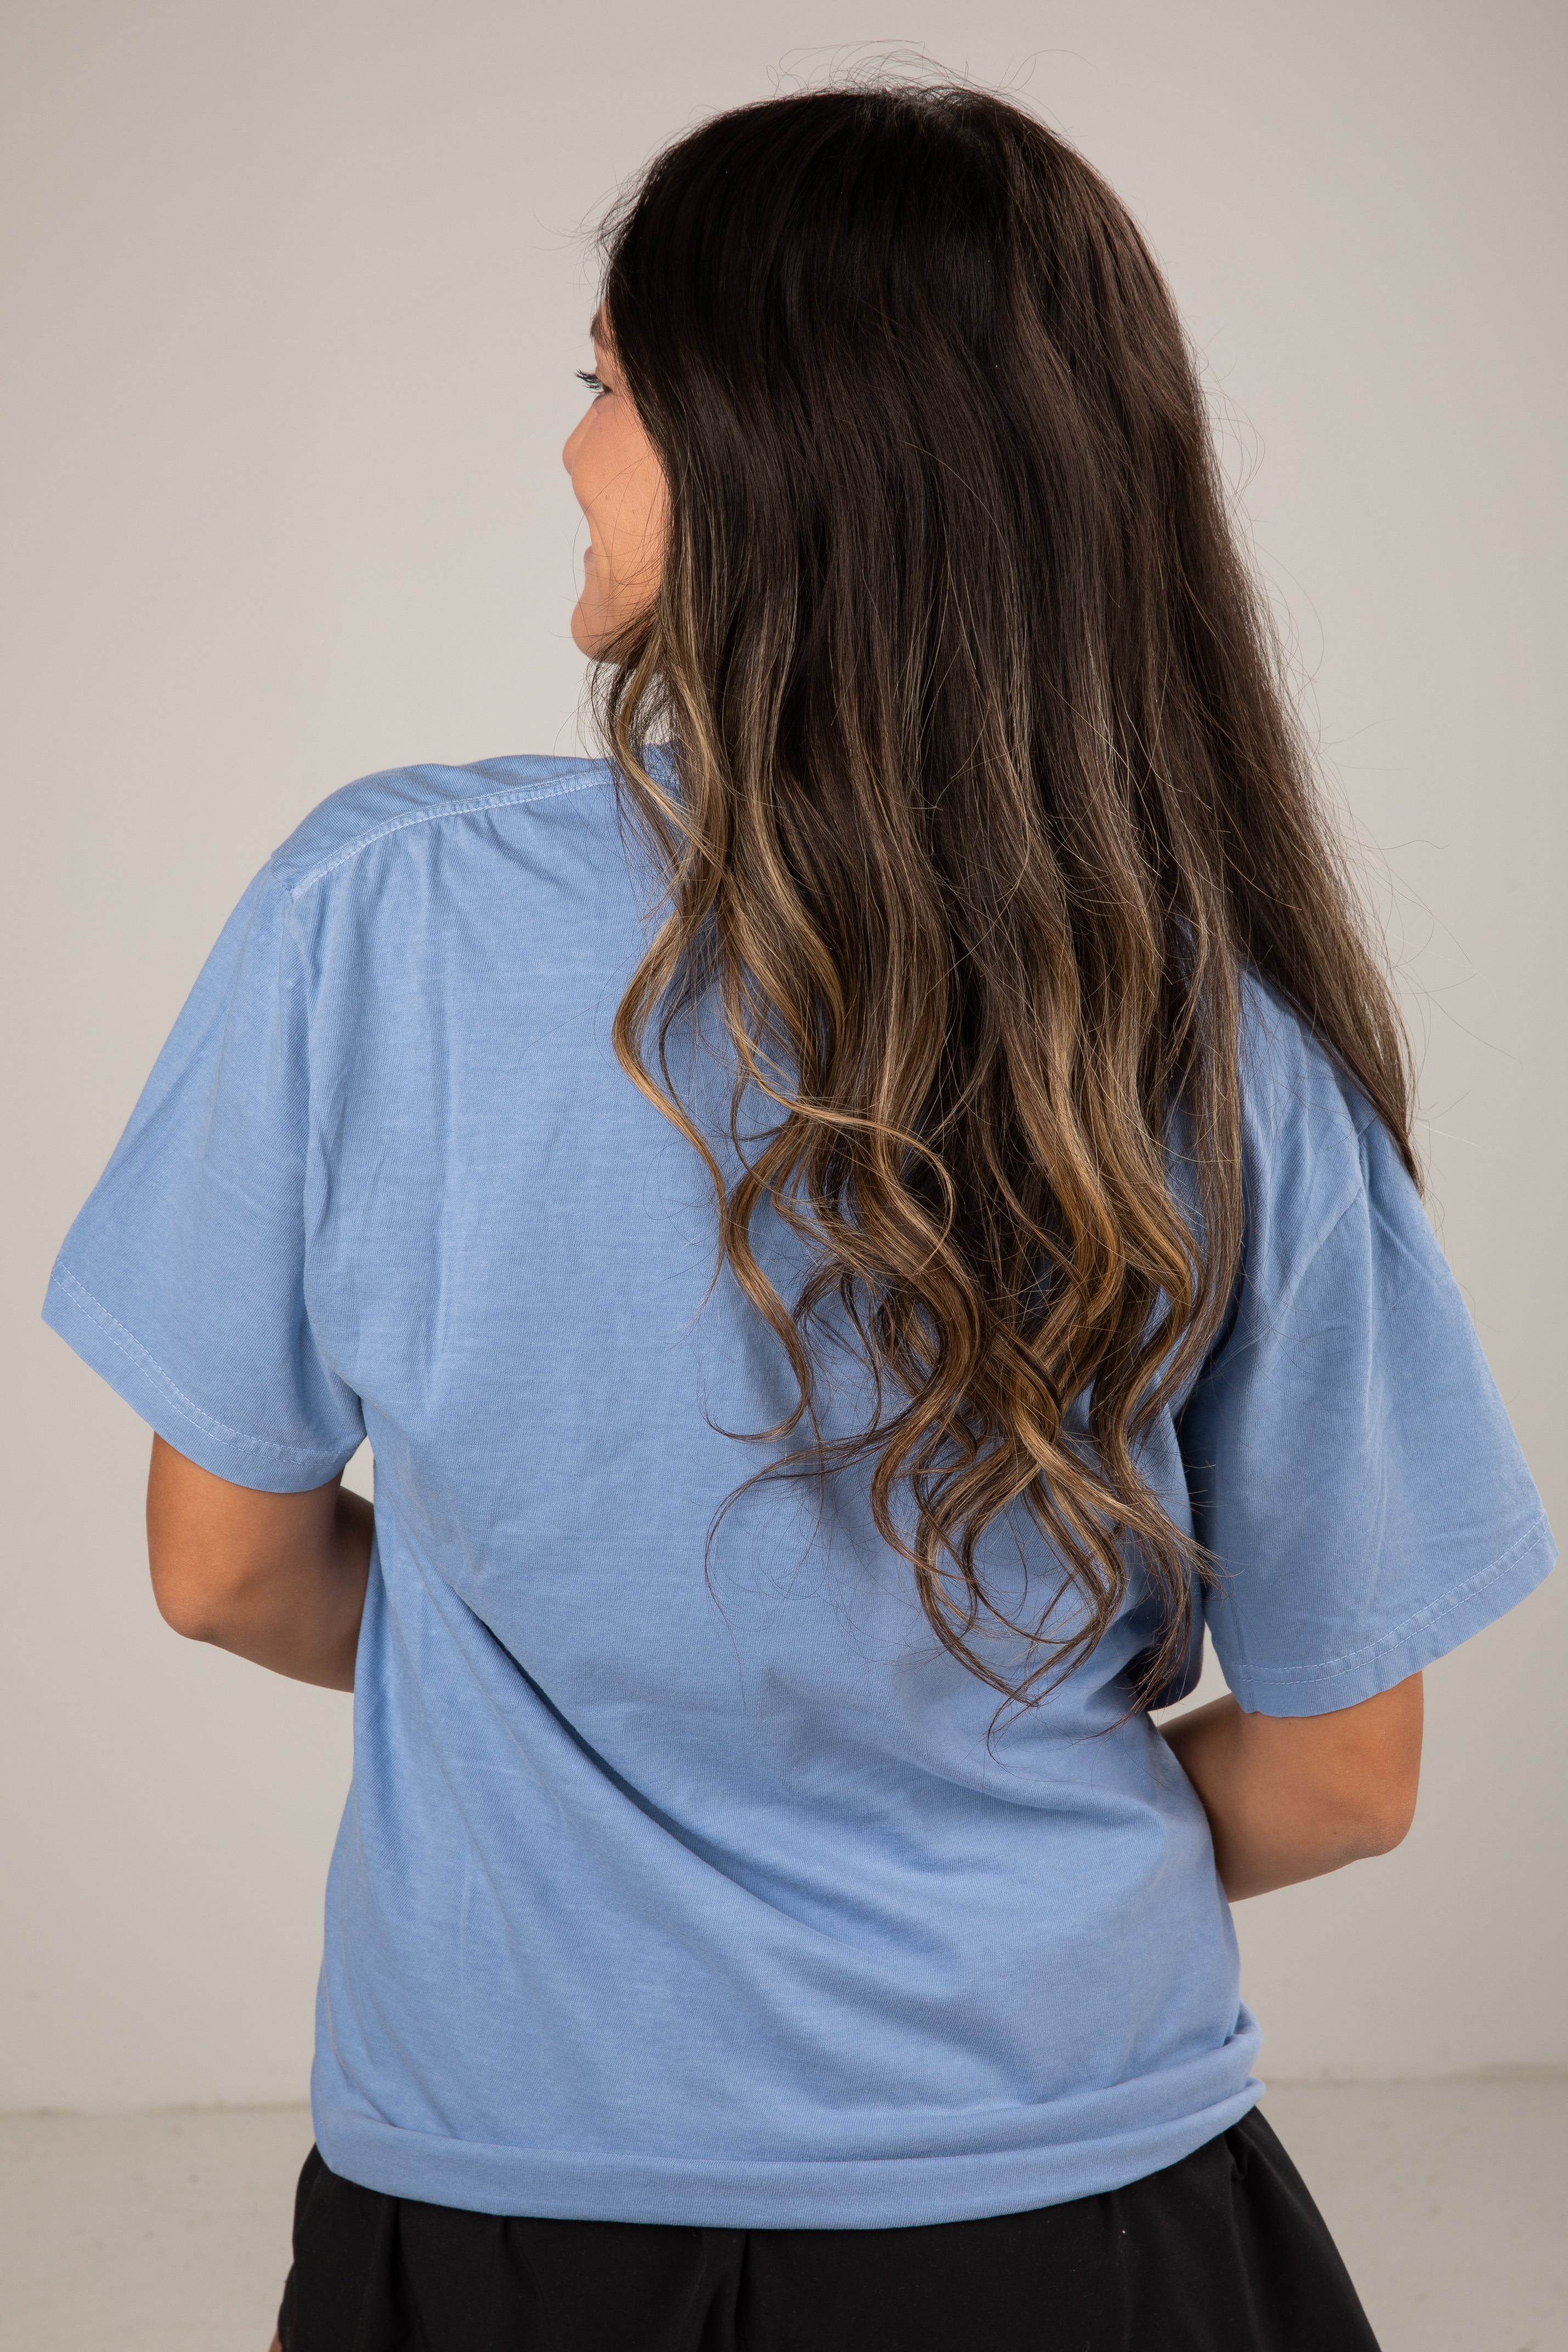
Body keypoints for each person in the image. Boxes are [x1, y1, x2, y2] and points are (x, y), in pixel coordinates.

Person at [44, 83, 1554, 2352]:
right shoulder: (1220, 1044)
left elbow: (221, 1565)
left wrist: (602, 1699)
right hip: (1085, 2212)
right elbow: (1346, 1777)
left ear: (769, 452)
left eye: (609, 388)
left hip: (501, 2209)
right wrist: (937, 1819)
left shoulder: (376, 920)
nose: (571, 450)